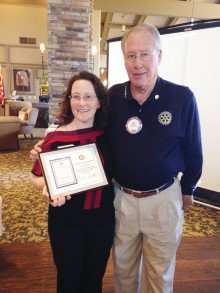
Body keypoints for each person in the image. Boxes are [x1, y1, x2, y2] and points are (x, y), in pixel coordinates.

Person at [30, 24, 203, 293]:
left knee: (159, 276)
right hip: (121, 201)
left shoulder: (182, 98)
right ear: (123, 59)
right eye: (130, 55)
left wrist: (188, 188)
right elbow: (87, 127)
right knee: (123, 272)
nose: (137, 64)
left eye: (145, 54)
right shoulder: (113, 98)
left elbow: (194, 149)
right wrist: (50, 144)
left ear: (160, 55)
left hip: (163, 200)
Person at [30, 71, 115, 293]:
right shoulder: (55, 138)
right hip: (66, 223)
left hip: (102, 222)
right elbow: (35, 176)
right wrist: (48, 187)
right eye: (75, 96)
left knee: (94, 280)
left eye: (88, 96)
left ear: (98, 101)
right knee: (68, 281)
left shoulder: (108, 135)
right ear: (69, 100)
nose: (81, 103)